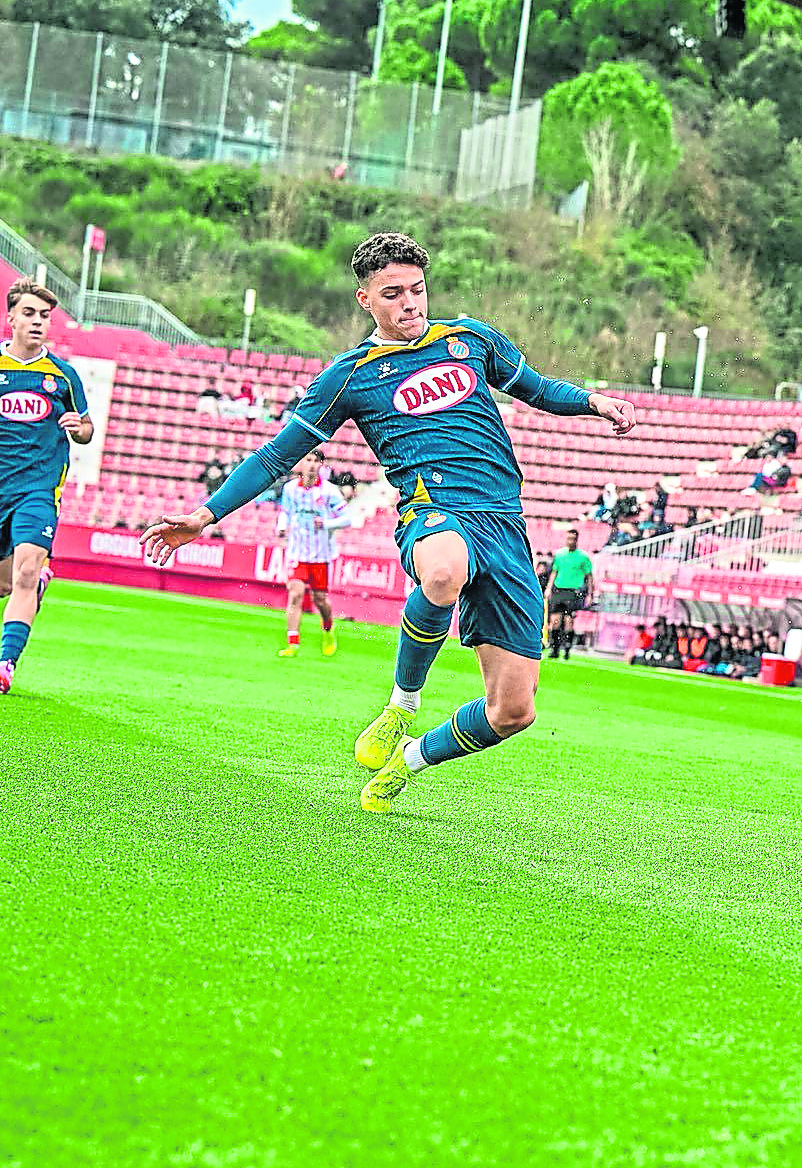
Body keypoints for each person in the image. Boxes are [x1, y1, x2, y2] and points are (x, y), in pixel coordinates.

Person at [143, 232, 636, 812]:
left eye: (419, 290)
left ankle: (407, 760)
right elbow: (277, 456)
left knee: (513, 711)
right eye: (394, 293)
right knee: (443, 573)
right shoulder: (350, 376)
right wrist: (204, 516)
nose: (411, 303)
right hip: (434, 511)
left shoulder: (471, 339)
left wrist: (594, 403)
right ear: (365, 300)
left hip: (506, 526)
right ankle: (401, 704)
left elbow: (536, 389)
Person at [0, 279, 96, 696]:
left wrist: (81, 428)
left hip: (39, 490)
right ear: (11, 318)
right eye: (29, 313)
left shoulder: (63, 374)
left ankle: (6, 663)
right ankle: (37, 586)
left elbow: (88, 427)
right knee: (7, 583)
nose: (37, 321)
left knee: (24, 571)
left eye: (44, 316)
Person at [275, 452, 351, 657]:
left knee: (320, 600)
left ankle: (328, 629)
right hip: (297, 552)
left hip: (320, 554)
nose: (311, 464)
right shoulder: (290, 489)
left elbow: (347, 518)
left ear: (321, 465)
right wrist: (281, 527)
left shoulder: (329, 491)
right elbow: (286, 512)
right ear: (301, 463)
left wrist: (326, 523)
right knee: (296, 593)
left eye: (316, 461)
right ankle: (293, 644)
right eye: (308, 459)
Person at [546, 528, 595, 660]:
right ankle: (554, 649)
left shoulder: (583, 557)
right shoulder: (560, 554)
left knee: (568, 621)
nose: (570, 541)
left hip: (573, 591)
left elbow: (589, 576)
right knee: (555, 621)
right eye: (568, 538)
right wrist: (549, 588)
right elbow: (555, 572)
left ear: (577, 540)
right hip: (559, 589)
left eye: (573, 539)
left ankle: (567, 649)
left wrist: (590, 594)